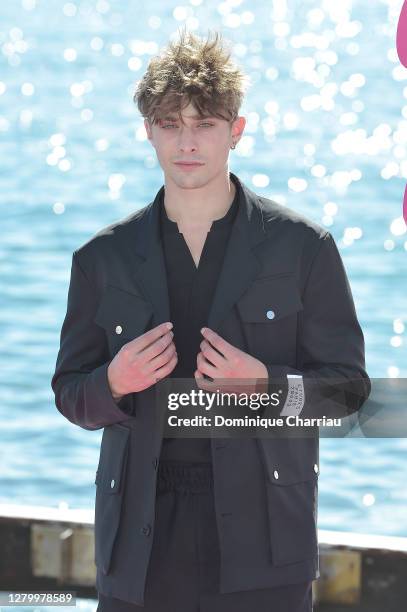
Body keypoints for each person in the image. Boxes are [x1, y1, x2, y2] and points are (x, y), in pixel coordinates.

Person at [51, 28, 371, 611]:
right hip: (140, 542)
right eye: (170, 124)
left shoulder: (304, 248)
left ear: (236, 131)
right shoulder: (102, 258)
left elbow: (349, 394)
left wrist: (267, 388)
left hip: (266, 538)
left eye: (204, 124)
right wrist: (112, 383)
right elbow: (71, 395)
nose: (187, 142)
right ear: (148, 130)